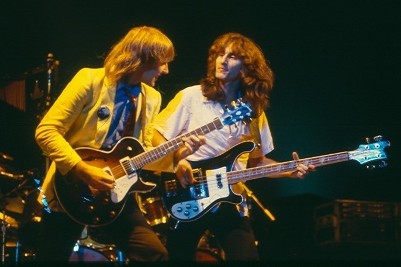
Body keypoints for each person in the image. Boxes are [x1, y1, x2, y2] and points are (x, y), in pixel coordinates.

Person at [34, 25, 204, 262]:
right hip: (71, 190)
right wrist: (80, 168)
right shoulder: (90, 80)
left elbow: (142, 153)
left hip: (118, 193)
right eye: (163, 62)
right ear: (143, 58)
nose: (166, 70)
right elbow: (46, 130)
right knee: (50, 258)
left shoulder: (152, 98)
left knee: (155, 255)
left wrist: (177, 156)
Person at [151, 32, 315, 261]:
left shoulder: (253, 111)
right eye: (219, 54)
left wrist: (291, 170)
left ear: (247, 68)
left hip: (232, 200)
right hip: (187, 195)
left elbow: (259, 162)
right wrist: (178, 160)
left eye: (232, 56)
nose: (223, 60)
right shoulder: (191, 97)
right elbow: (156, 136)